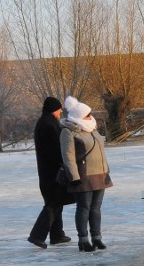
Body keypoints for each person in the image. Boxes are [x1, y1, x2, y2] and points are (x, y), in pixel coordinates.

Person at [60, 96, 113, 252]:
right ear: (78, 117)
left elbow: (100, 152)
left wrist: (106, 170)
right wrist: (74, 176)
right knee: (84, 208)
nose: (91, 117)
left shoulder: (92, 129)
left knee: (96, 208)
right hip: (83, 175)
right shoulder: (68, 132)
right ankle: (83, 240)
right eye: (87, 115)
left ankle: (97, 238)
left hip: (100, 173)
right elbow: (67, 155)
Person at [27, 97, 74, 249]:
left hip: (48, 172)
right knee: (53, 203)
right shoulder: (48, 125)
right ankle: (37, 235)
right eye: (59, 109)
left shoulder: (47, 123)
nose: (61, 111)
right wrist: (64, 161)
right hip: (52, 172)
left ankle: (57, 234)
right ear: (53, 109)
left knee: (57, 201)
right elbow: (54, 150)